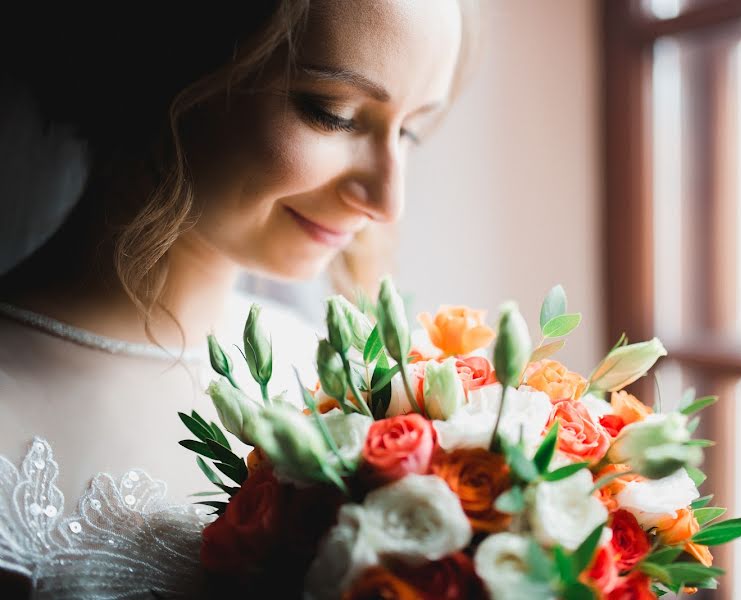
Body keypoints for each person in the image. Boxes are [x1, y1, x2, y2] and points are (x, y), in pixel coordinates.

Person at [0, 1, 475, 596]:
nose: (387, 201)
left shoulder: (353, 386)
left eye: (408, 130)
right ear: (170, 66)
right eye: (332, 114)